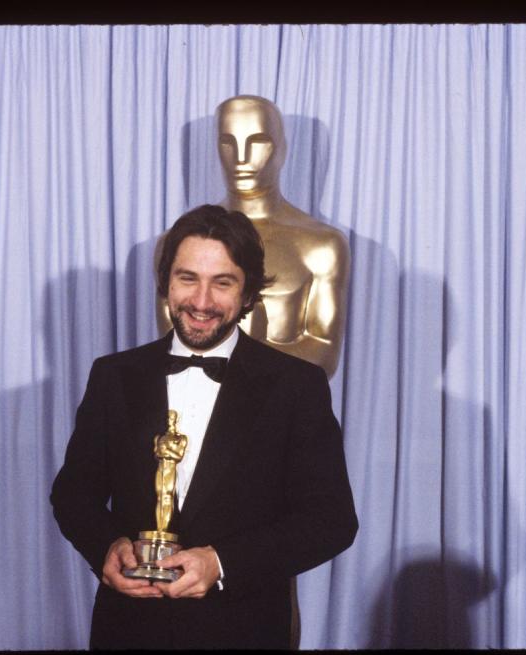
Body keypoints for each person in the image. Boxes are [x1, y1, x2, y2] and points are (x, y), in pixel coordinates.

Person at [51, 204, 357, 649]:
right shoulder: (114, 375)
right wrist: (107, 547)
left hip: (242, 631)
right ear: (166, 283)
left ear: (249, 293)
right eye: (188, 278)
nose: (201, 302)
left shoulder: (296, 386)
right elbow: (73, 493)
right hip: (128, 630)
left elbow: (331, 521)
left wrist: (221, 563)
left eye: (223, 283)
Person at [156, 95, 350, 376]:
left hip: (287, 411)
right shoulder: (176, 244)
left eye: (258, 141)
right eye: (227, 142)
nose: (242, 157)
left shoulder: (323, 245)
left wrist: (242, 358)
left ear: (282, 149)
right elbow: (176, 346)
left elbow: (324, 352)